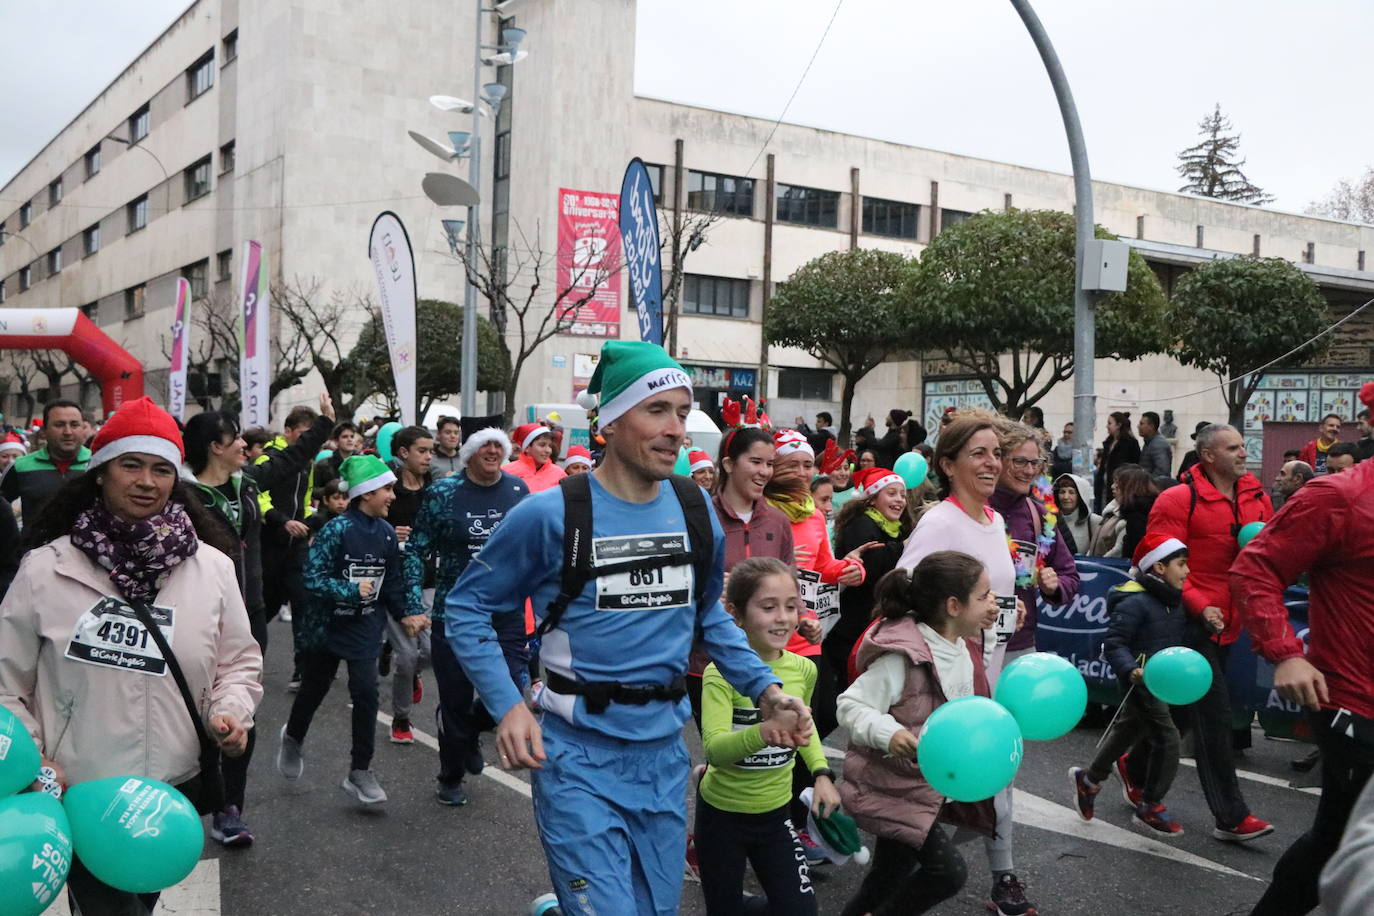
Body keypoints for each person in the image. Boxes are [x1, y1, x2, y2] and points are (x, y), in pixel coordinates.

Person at [448, 341, 811, 913]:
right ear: (611, 421)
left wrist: (765, 690)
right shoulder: (551, 514)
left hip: (663, 757)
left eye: (682, 412)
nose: (676, 429)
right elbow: (466, 607)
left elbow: (707, 614)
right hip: (575, 758)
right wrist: (509, 704)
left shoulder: (695, 511)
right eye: (656, 410)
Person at [0, 397, 262, 915]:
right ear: (100, 473)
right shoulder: (45, 570)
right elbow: (7, 682)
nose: (147, 481)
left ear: (176, 479)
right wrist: (34, 758)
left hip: (169, 793)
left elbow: (238, 661)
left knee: (141, 897)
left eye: (162, 469)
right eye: (131, 465)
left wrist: (230, 711)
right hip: (81, 791)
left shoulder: (211, 567)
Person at [1231, 384, 1374, 915]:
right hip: (1357, 702)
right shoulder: (1338, 495)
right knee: (1338, 841)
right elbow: (1256, 567)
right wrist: (1285, 651)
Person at [896, 414, 1031, 916]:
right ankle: (917, 869)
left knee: (994, 772)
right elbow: (904, 592)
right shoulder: (940, 522)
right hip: (948, 675)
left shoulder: (995, 521)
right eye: (978, 453)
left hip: (989, 669)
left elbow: (986, 589)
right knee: (945, 781)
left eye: (996, 453)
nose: (992, 463)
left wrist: (1005, 606)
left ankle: (997, 873)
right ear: (948, 465)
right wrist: (958, 629)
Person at [1119, 423, 1273, 843]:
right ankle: (1231, 816)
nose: (1244, 453)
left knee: (1183, 709)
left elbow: (1271, 552)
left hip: (1230, 620)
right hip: (1187, 619)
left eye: (1244, 446)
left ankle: (1133, 766)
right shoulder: (1176, 499)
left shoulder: (1258, 498)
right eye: (1234, 448)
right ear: (1207, 455)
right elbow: (1158, 562)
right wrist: (1200, 604)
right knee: (1214, 717)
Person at [836, 551, 998, 916]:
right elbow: (849, 705)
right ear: (954, 606)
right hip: (896, 789)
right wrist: (888, 733)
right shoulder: (902, 657)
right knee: (948, 874)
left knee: (888, 876)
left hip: (924, 789)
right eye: (985, 595)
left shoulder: (964, 643)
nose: (993, 602)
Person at [278, 455, 429, 805]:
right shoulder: (336, 530)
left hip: (364, 626)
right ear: (366, 493)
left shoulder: (387, 534)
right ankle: (293, 738)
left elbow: (392, 582)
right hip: (326, 626)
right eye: (386, 489)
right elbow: (312, 579)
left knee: (366, 692)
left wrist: (409, 612)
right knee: (313, 690)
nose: (393, 496)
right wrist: (348, 590)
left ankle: (359, 771)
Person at [696, 557, 838, 916]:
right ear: (735, 614)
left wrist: (822, 774)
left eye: (791, 607)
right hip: (721, 817)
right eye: (768, 607)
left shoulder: (803, 669)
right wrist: (764, 732)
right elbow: (714, 749)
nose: (783, 618)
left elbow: (806, 730)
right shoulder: (719, 673)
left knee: (801, 911)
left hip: (775, 817)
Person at [406, 418, 529, 807]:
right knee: (456, 700)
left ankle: (471, 731)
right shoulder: (443, 493)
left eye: (498, 446)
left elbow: (532, 548)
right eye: (483, 446)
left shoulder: (517, 490)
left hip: (505, 610)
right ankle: (451, 774)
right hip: (454, 612)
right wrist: (412, 604)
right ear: (469, 452)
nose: (492, 452)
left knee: (511, 688)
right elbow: (416, 550)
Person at [1070, 533, 1190, 836]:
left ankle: (1089, 780)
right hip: (1141, 680)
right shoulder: (1135, 602)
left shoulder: (1173, 600)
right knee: (1169, 738)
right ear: (1159, 568)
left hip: (1161, 681)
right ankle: (1150, 805)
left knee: (1129, 728)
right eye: (1181, 564)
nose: (1187, 571)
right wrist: (1131, 669)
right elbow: (1114, 643)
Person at [689, 424, 794, 727]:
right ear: (728, 464)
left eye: (770, 463)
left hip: (765, 662)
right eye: (756, 462)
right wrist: (708, 590)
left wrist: (801, 615)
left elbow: (791, 582)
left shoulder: (777, 521)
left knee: (762, 757)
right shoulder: (699, 517)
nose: (765, 472)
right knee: (722, 754)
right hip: (707, 663)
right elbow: (678, 587)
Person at [252, 402, 335, 686]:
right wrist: (281, 520)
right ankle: (242, 656)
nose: (308, 441)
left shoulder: (306, 463)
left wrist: (312, 520)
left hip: (296, 546)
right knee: (266, 606)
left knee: (303, 602)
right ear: (288, 431)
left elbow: (307, 497)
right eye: (303, 434)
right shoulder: (268, 459)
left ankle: (303, 668)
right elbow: (257, 497)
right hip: (269, 544)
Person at [990, 421, 1080, 661]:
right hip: (969, 643)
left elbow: (1069, 575)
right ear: (998, 459)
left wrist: (1054, 585)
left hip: (1019, 643)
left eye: (1035, 463)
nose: (1029, 471)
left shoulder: (1038, 514)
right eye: (1019, 461)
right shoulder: (972, 508)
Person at [827, 467, 910, 690]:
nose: (900, 500)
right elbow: (870, 568)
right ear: (873, 499)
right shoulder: (861, 524)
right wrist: (903, 547)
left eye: (902, 494)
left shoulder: (896, 528)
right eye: (891, 493)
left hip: (875, 623)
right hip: (850, 627)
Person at [383, 425, 435, 745]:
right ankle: (401, 718)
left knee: (431, 650)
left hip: (429, 578)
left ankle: (414, 673)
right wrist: (391, 531)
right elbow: (364, 519)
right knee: (405, 655)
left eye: (431, 451)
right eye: (422, 451)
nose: (429, 457)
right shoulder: (387, 486)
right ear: (404, 454)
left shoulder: (435, 487)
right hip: (396, 581)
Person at [0, 399, 91, 522]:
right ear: (44, 430)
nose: (68, 432)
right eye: (59, 425)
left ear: (83, 428)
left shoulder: (98, 463)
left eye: (74, 425)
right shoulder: (20, 466)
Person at [1095, 411, 1141, 511]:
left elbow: (1134, 466)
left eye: (1109, 423)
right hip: (1105, 486)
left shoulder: (1130, 443)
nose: (1107, 426)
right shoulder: (1108, 442)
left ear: (1118, 425)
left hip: (1121, 488)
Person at [503, 422, 566, 492]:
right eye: (542, 445)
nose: (548, 450)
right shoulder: (506, 471)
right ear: (527, 447)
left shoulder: (560, 474)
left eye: (550, 446)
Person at [1053, 473, 1099, 555]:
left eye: (1071, 492)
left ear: (1081, 496)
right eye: (1062, 492)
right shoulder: (1050, 520)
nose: (1066, 497)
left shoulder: (1093, 521)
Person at [1137, 410, 1173, 481]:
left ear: (1151, 426)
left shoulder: (1159, 444)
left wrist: (1146, 484)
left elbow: (1162, 472)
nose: (1138, 426)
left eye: (1141, 424)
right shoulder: (1149, 441)